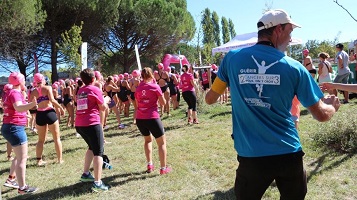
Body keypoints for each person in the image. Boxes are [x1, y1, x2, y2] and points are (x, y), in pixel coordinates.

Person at [205, 9, 340, 200]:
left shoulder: (232, 59)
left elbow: (210, 99)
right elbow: (321, 115)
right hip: (288, 154)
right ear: (278, 29)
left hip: (251, 157)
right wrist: (332, 105)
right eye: (289, 32)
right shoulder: (294, 67)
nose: (290, 38)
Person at [2, 72, 39, 194]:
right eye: (24, 80)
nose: (25, 83)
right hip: (15, 128)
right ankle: (22, 187)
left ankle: (11, 179)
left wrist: (25, 114)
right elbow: (18, 107)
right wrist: (32, 105)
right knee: (23, 158)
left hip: (10, 126)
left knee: (18, 157)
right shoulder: (15, 93)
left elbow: (15, 109)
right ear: (20, 82)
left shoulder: (9, 92)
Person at [75, 68, 110, 192]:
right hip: (91, 123)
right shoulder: (95, 89)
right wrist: (106, 100)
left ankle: (85, 174)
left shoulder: (80, 91)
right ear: (93, 79)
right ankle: (98, 182)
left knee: (91, 147)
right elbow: (103, 108)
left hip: (80, 124)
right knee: (98, 152)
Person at [135, 67, 171, 175]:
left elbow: (137, 104)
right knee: (161, 143)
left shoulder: (138, 88)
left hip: (140, 118)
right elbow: (163, 103)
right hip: (152, 117)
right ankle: (163, 168)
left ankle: (150, 164)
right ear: (151, 75)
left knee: (147, 140)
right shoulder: (155, 87)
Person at [29, 73, 65, 166]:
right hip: (49, 113)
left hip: (40, 114)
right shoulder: (48, 88)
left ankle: (39, 160)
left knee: (40, 140)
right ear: (43, 80)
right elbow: (52, 100)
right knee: (57, 138)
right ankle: (59, 159)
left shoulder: (33, 92)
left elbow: (31, 105)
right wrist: (60, 108)